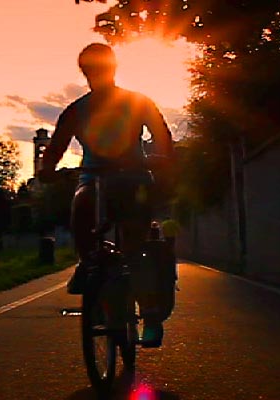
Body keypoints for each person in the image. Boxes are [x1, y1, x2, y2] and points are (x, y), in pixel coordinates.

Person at [36, 42, 175, 347]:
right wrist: (47, 169)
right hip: (94, 178)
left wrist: (162, 156)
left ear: (112, 69)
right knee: (82, 207)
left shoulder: (138, 102)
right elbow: (56, 148)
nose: (93, 74)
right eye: (89, 70)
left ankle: (149, 314)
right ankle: (90, 268)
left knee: (136, 245)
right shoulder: (76, 110)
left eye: (99, 68)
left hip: (133, 176)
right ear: (84, 72)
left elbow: (162, 135)